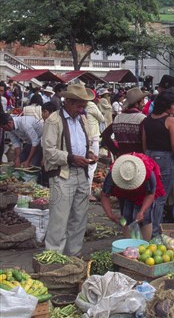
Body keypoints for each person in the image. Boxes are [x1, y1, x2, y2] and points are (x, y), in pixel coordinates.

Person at [42, 82, 96, 255]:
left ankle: (74, 255)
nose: (82, 108)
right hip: (63, 174)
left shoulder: (82, 119)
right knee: (59, 218)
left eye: (84, 105)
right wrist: (71, 158)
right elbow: (49, 152)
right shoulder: (54, 120)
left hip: (81, 173)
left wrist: (89, 153)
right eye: (80, 105)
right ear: (69, 102)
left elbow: (82, 142)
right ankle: (54, 256)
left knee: (79, 218)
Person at [142, 89, 174, 236]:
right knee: (159, 198)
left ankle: (145, 229)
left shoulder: (147, 120)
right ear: (168, 105)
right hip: (165, 158)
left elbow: (144, 144)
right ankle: (154, 233)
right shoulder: (170, 121)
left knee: (149, 195)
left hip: (149, 157)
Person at [101, 153, 165, 241]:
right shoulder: (113, 174)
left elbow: (150, 194)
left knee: (145, 217)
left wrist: (142, 211)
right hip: (124, 193)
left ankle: (144, 244)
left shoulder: (148, 172)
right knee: (126, 214)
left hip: (143, 193)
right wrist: (110, 215)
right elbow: (104, 195)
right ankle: (129, 244)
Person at [102, 87, 149, 157]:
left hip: (122, 158)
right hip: (139, 158)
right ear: (136, 104)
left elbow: (105, 135)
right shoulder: (142, 118)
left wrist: (116, 151)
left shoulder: (118, 118)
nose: (144, 104)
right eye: (142, 102)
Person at [86, 97, 105, 201]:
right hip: (93, 137)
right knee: (91, 166)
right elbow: (101, 118)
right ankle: (88, 193)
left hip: (85, 137)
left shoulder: (79, 106)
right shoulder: (91, 105)